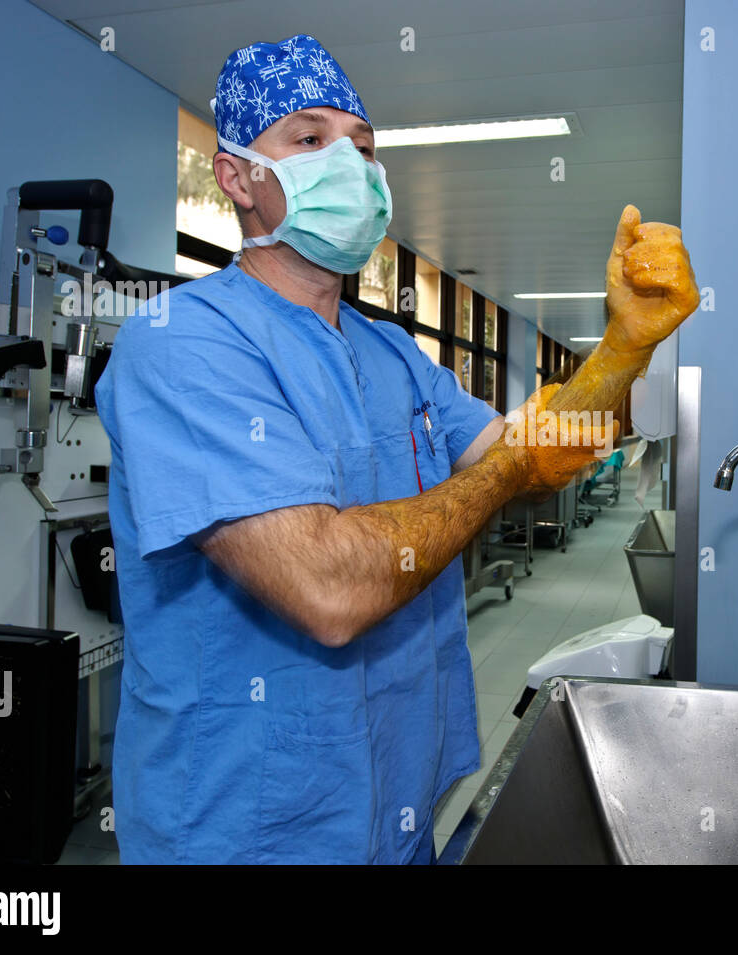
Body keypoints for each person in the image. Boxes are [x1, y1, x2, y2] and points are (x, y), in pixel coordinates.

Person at [95, 33, 697, 864]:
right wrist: (507, 469)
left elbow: (538, 454)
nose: (348, 164)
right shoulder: (182, 345)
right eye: (308, 140)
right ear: (235, 176)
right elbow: (326, 586)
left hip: (396, 801)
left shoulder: (391, 353)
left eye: (363, 148)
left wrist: (622, 352)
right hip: (243, 826)